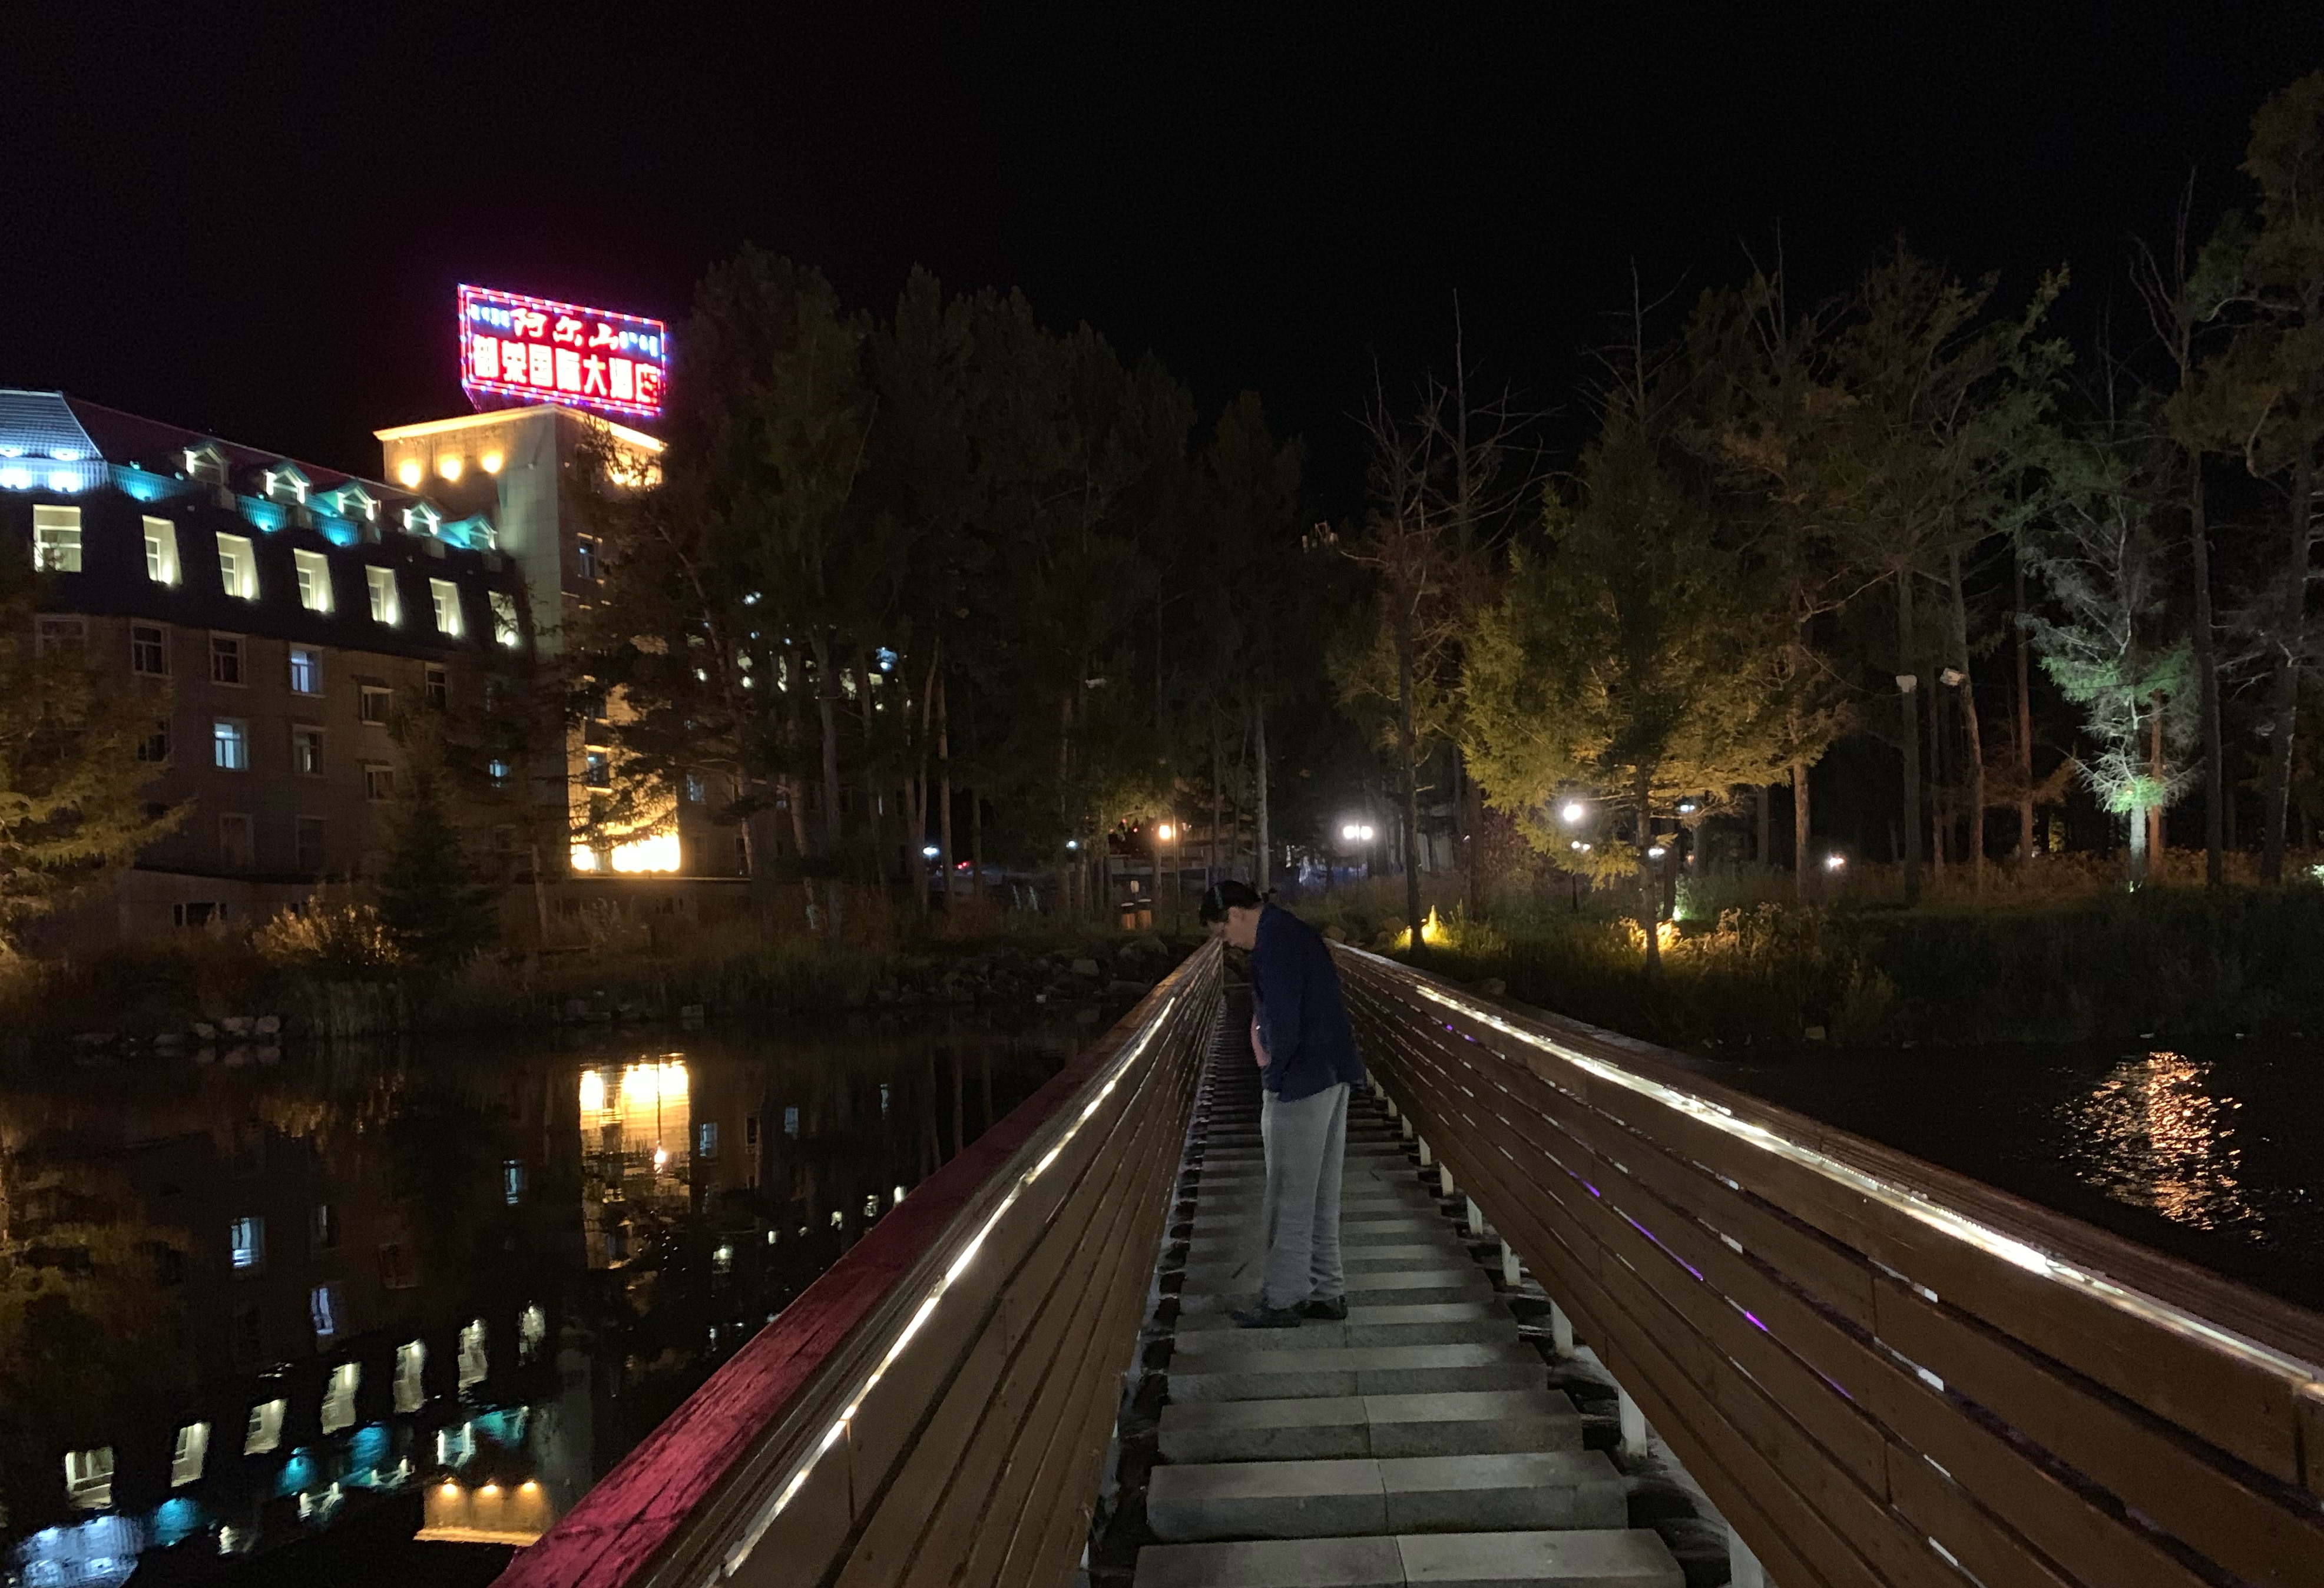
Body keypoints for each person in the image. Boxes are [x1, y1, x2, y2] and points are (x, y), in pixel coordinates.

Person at [1201, 880, 1365, 1328]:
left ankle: (1282, 1299)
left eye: (1223, 932)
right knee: (1320, 1193)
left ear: (1236, 914)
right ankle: (1327, 1290)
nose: (1228, 943)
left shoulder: (1272, 943)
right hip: (1333, 1070)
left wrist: (1273, 1074)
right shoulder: (1293, 930)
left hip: (1302, 1079)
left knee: (1288, 1194)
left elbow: (1283, 1016)